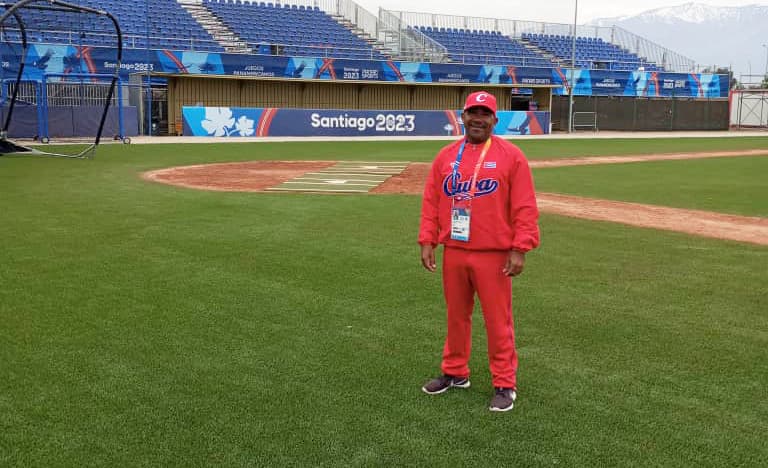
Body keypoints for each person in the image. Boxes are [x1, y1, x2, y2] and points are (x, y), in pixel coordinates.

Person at [418, 90, 540, 412]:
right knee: (456, 316)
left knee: (498, 320)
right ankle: (455, 372)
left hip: (493, 254)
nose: (477, 119)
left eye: (484, 114)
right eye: (473, 112)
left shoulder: (511, 156)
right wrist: (427, 240)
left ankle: (504, 383)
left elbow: (525, 206)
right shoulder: (445, 157)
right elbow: (431, 202)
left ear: (494, 120)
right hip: (454, 250)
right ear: (463, 116)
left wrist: (520, 248)